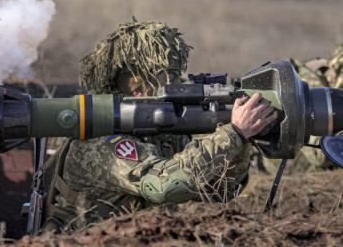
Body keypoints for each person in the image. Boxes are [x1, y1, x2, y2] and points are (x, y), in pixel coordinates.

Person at [40, 20, 278, 232]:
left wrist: (241, 140)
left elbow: (221, 190)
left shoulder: (160, 134)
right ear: (138, 86)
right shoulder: (100, 141)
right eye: (168, 77)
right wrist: (233, 133)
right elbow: (164, 186)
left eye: (177, 76)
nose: (178, 84)